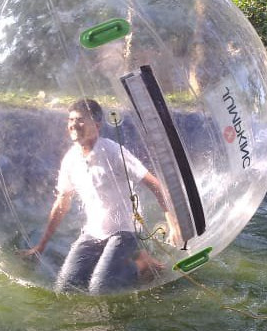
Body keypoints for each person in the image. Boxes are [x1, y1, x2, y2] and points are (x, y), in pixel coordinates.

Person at [23, 98, 178, 294]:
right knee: (65, 288)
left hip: (125, 230)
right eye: (70, 120)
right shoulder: (71, 159)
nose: (73, 125)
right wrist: (41, 245)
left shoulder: (113, 152)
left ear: (96, 124)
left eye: (79, 120)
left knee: (100, 287)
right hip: (94, 232)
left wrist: (172, 222)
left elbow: (154, 184)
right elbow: (62, 202)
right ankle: (131, 262)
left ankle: (143, 265)